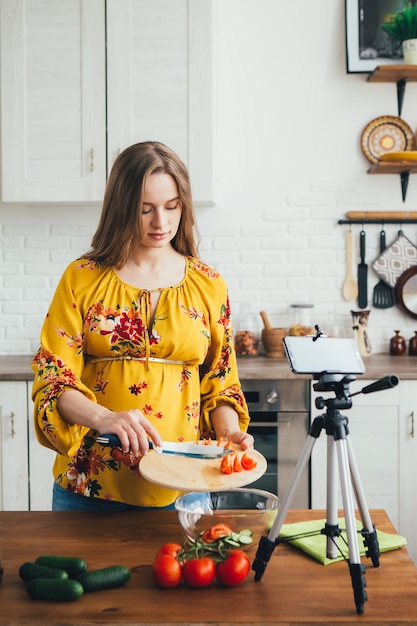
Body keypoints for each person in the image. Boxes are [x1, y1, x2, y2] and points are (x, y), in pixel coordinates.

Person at [31, 141, 253, 511]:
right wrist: (105, 417)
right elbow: (53, 382)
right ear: (121, 208)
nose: (160, 223)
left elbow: (221, 385)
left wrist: (229, 433)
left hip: (185, 480)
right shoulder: (81, 278)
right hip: (91, 483)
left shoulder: (208, 283)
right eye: (145, 209)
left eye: (171, 207)